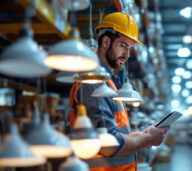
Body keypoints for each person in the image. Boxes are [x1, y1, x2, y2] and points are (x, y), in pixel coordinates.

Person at [69, 12, 169, 171]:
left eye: (130, 48)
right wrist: (148, 138)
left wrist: (141, 135)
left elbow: (112, 132)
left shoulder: (110, 83)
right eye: (123, 45)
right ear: (106, 42)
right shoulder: (94, 81)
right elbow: (108, 144)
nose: (127, 55)